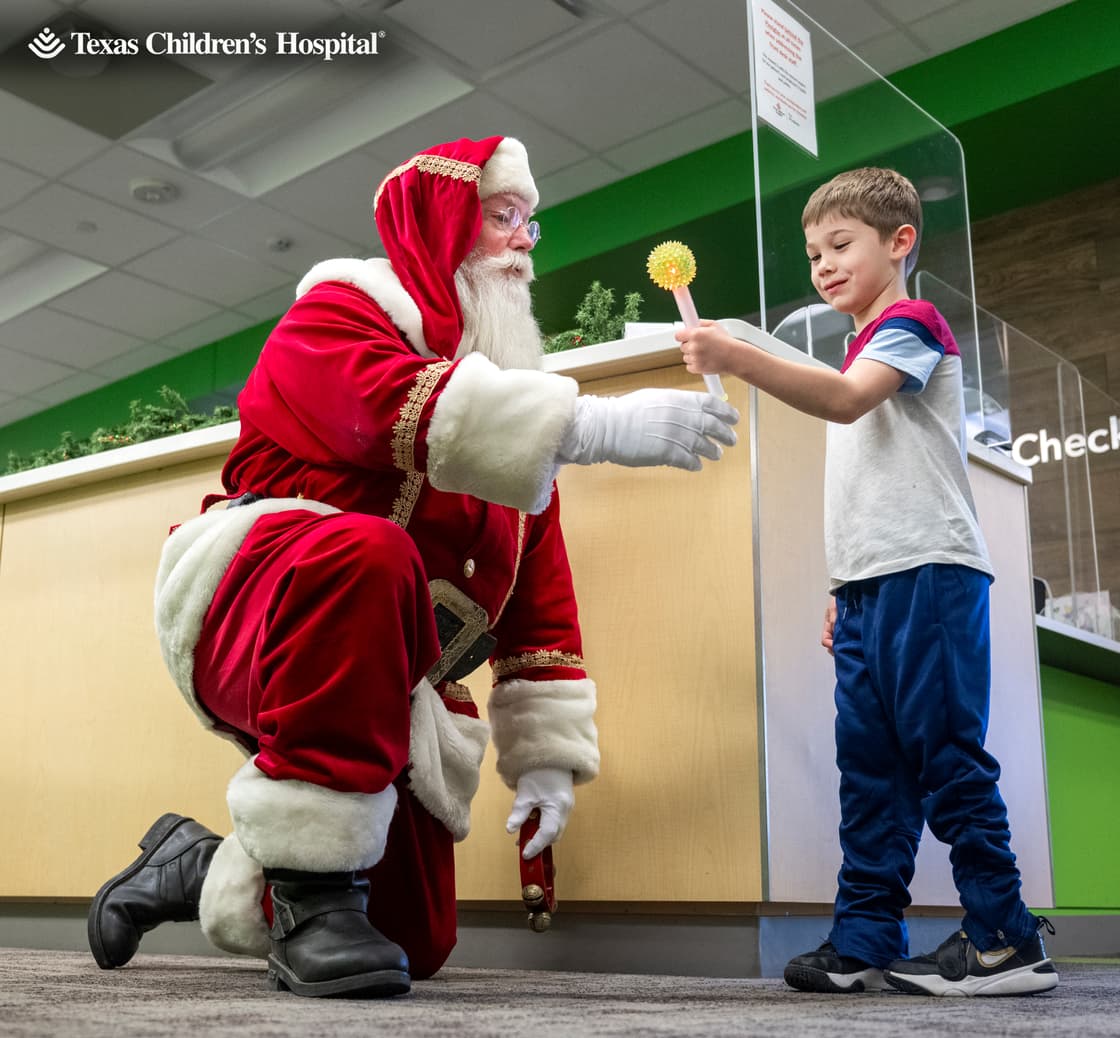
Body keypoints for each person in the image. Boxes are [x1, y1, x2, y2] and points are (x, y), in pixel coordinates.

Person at [87, 135, 738, 999]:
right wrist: (593, 426)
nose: (524, 243)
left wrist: (543, 758)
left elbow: (541, 610)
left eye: (530, 224)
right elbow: (381, 410)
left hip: (393, 679)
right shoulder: (334, 317)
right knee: (368, 549)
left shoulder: (517, 447)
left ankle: (197, 863)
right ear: (441, 226)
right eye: (503, 217)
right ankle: (315, 900)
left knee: (413, 941)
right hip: (256, 606)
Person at [674, 167, 1057, 997]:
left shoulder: (910, 325)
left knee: (946, 756)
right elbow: (870, 488)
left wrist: (738, 354)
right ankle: (864, 938)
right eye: (814, 253)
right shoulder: (863, 342)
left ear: (900, 242)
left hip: (930, 575)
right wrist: (841, 590)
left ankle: (1005, 938)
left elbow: (848, 403)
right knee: (871, 770)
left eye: (840, 246)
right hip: (871, 588)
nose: (823, 265)